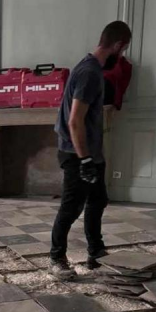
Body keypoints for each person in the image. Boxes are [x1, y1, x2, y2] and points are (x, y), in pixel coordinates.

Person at [49, 20, 132, 278]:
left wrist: (93, 157)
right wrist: (85, 160)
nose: (121, 56)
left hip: (90, 153)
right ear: (117, 45)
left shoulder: (91, 68)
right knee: (71, 207)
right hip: (77, 153)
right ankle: (56, 258)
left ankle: (95, 251)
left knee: (97, 200)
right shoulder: (89, 73)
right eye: (123, 50)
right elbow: (75, 121)